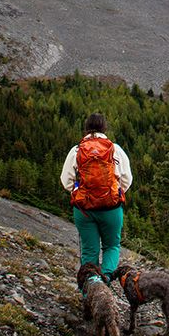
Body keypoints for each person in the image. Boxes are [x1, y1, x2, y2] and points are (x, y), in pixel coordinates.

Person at [60, 113, 132, 281]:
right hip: (111, 208)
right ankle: (105, 280)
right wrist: (113, 191)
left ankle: (90, 287)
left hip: (84, 209)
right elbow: (127, 179)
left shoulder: (77, 150)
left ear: (86, 128)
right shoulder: (115, 149)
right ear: (104, 128)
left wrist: (79, 191)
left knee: (89, 251)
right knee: (112, 246)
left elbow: (66, 181)